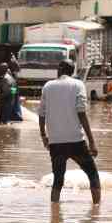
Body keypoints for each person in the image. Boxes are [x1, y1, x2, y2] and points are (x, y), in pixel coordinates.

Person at [38, 60, 101, 205]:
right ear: (72, 71)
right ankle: (96, 210)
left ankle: (54, 212)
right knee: (92, 174)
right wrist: (92, 141)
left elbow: (41, 114)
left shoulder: (48, 86)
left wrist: (43, 136)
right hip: (76, 141)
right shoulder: (78, 85)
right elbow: (81, 113)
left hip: (56, 143)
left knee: (58, 180)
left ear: (59, 69)